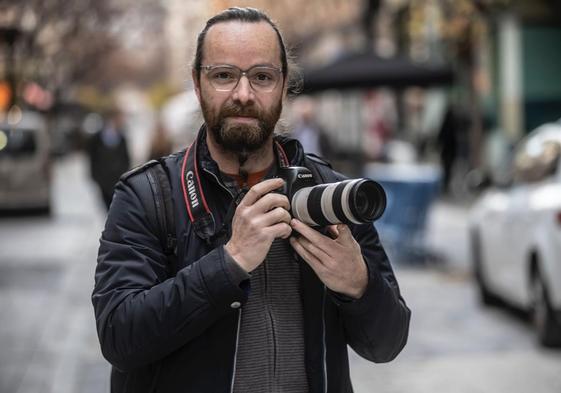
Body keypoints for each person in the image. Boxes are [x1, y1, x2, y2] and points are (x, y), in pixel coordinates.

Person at [92, 7, 410, 393]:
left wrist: (359, 285)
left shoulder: (331, 195)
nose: (243, 94)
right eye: (224, 75)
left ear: (284, 85)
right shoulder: (148, 196)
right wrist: (229, 263)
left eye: (262, 77)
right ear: (197, 83)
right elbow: (119, 338)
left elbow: (388, 344)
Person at [86, 108, 131, 209]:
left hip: (117, 177)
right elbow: (92, 157)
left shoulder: (122, 137)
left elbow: (126, 157)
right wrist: (94, 175)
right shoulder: (97, 138)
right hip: (103, 178)